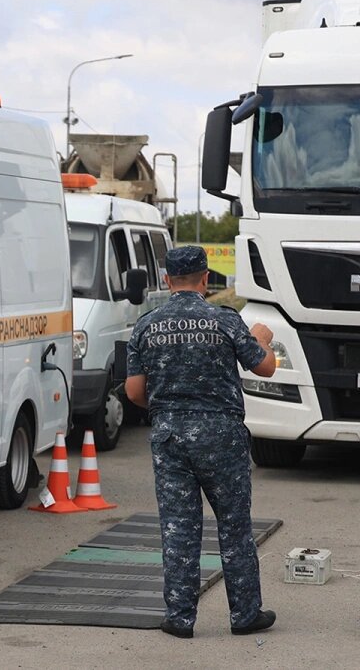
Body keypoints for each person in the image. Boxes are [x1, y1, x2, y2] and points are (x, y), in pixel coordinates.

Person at [125, 245, 278, 639]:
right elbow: (265, 366)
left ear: (166, 280)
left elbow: (134, 392)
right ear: (206, 279)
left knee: (178, 526)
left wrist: (166, 407)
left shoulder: (146, 325)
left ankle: (179, 618)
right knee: (234, 526)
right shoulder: (225, 320)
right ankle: (244, 615)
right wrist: (260, 337)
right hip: (221, 435)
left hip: (170, 435)